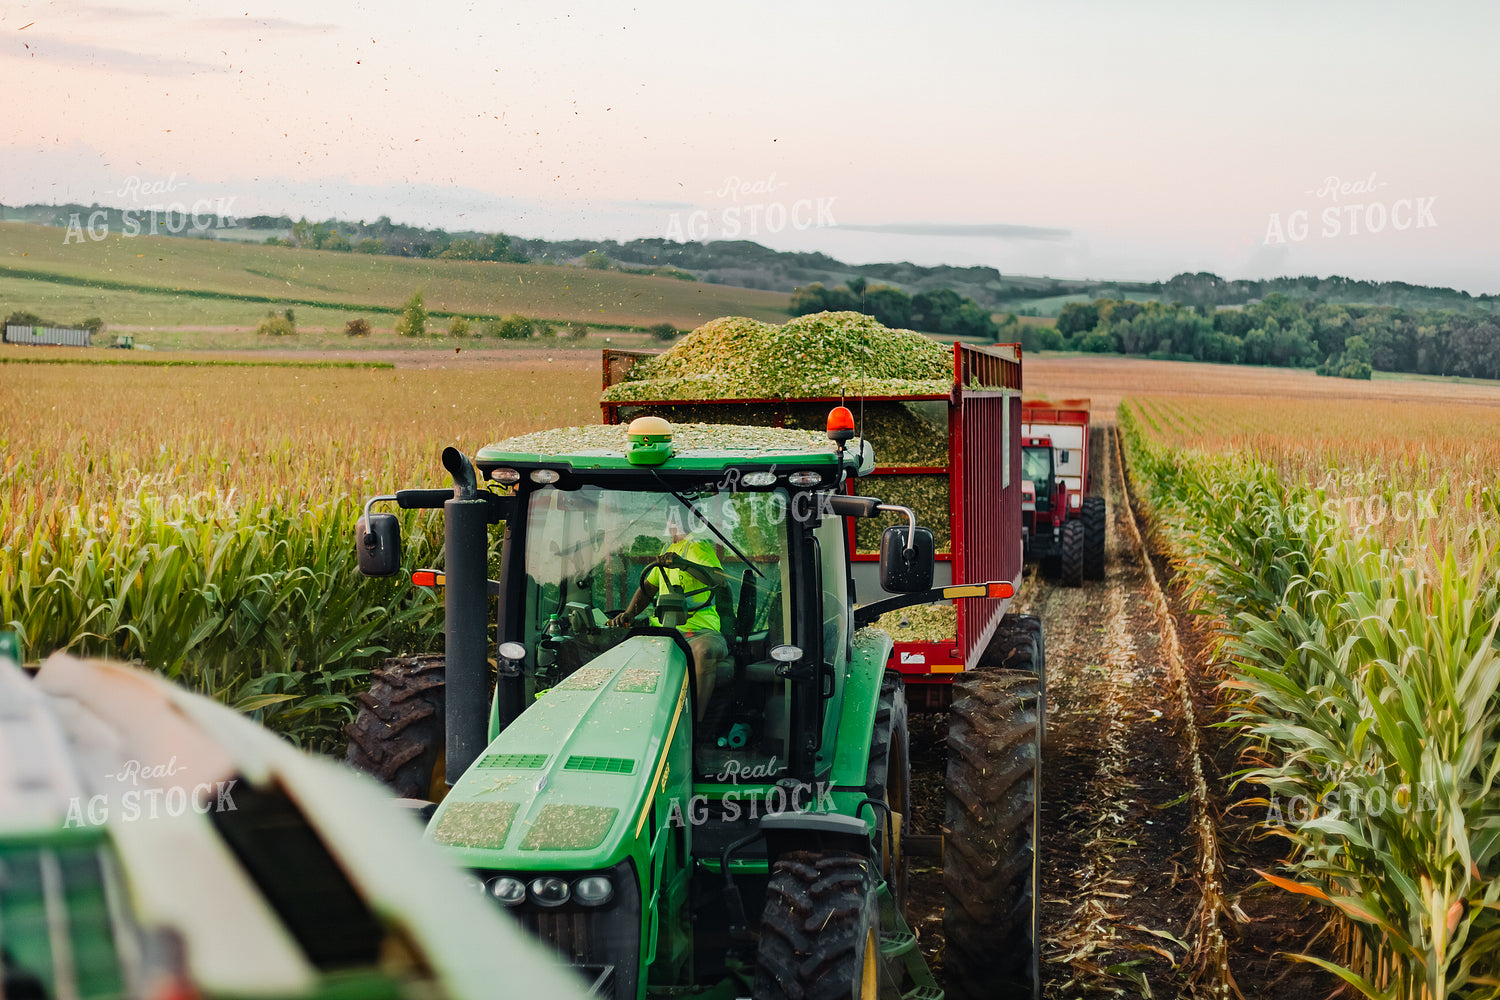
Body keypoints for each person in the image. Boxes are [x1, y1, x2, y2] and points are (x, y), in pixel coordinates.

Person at [609, 521, 732, 719]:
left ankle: (694, 726)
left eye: (673, 519)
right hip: (664, 632)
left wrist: (684, 565)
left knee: (703, 652)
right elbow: (648, 588)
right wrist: (629, 613)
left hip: (700, 631)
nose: (669, 525)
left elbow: (719, 580)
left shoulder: (697, 546)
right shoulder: (668, 551)